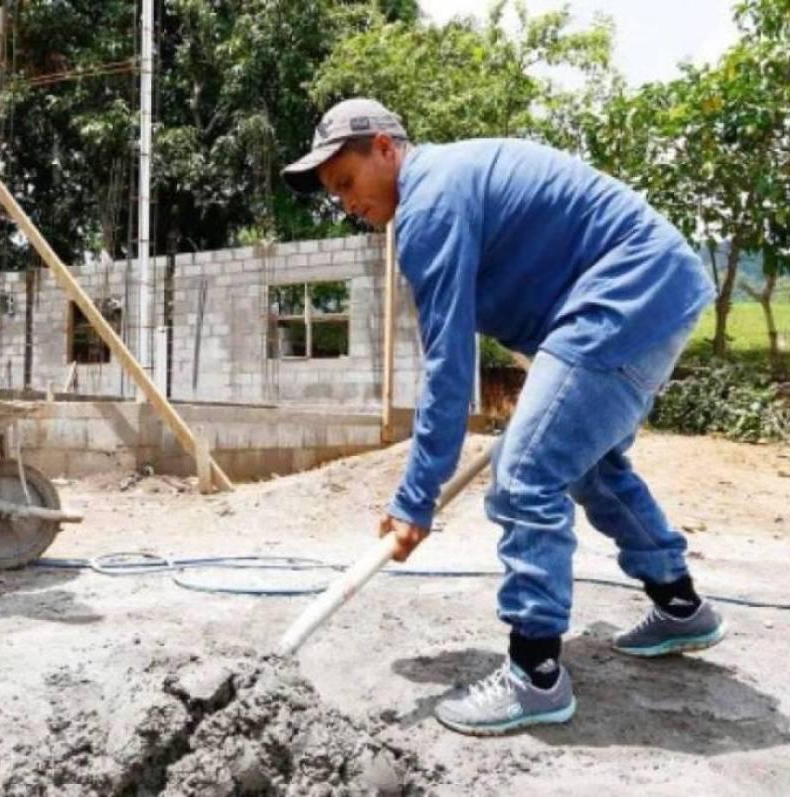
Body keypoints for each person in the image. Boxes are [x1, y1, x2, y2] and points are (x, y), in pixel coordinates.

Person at [282, 98, 725, 736]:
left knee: (524, 471)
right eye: (334, 194)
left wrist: (415, 500)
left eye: (346, 182)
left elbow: (449, 368)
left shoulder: (428, 205)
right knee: (586, 465)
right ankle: (680, 603)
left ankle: (535, 673)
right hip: (649, 287)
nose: (346, 203)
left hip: (628, 287)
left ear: (385, 148)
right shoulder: (444, 189)